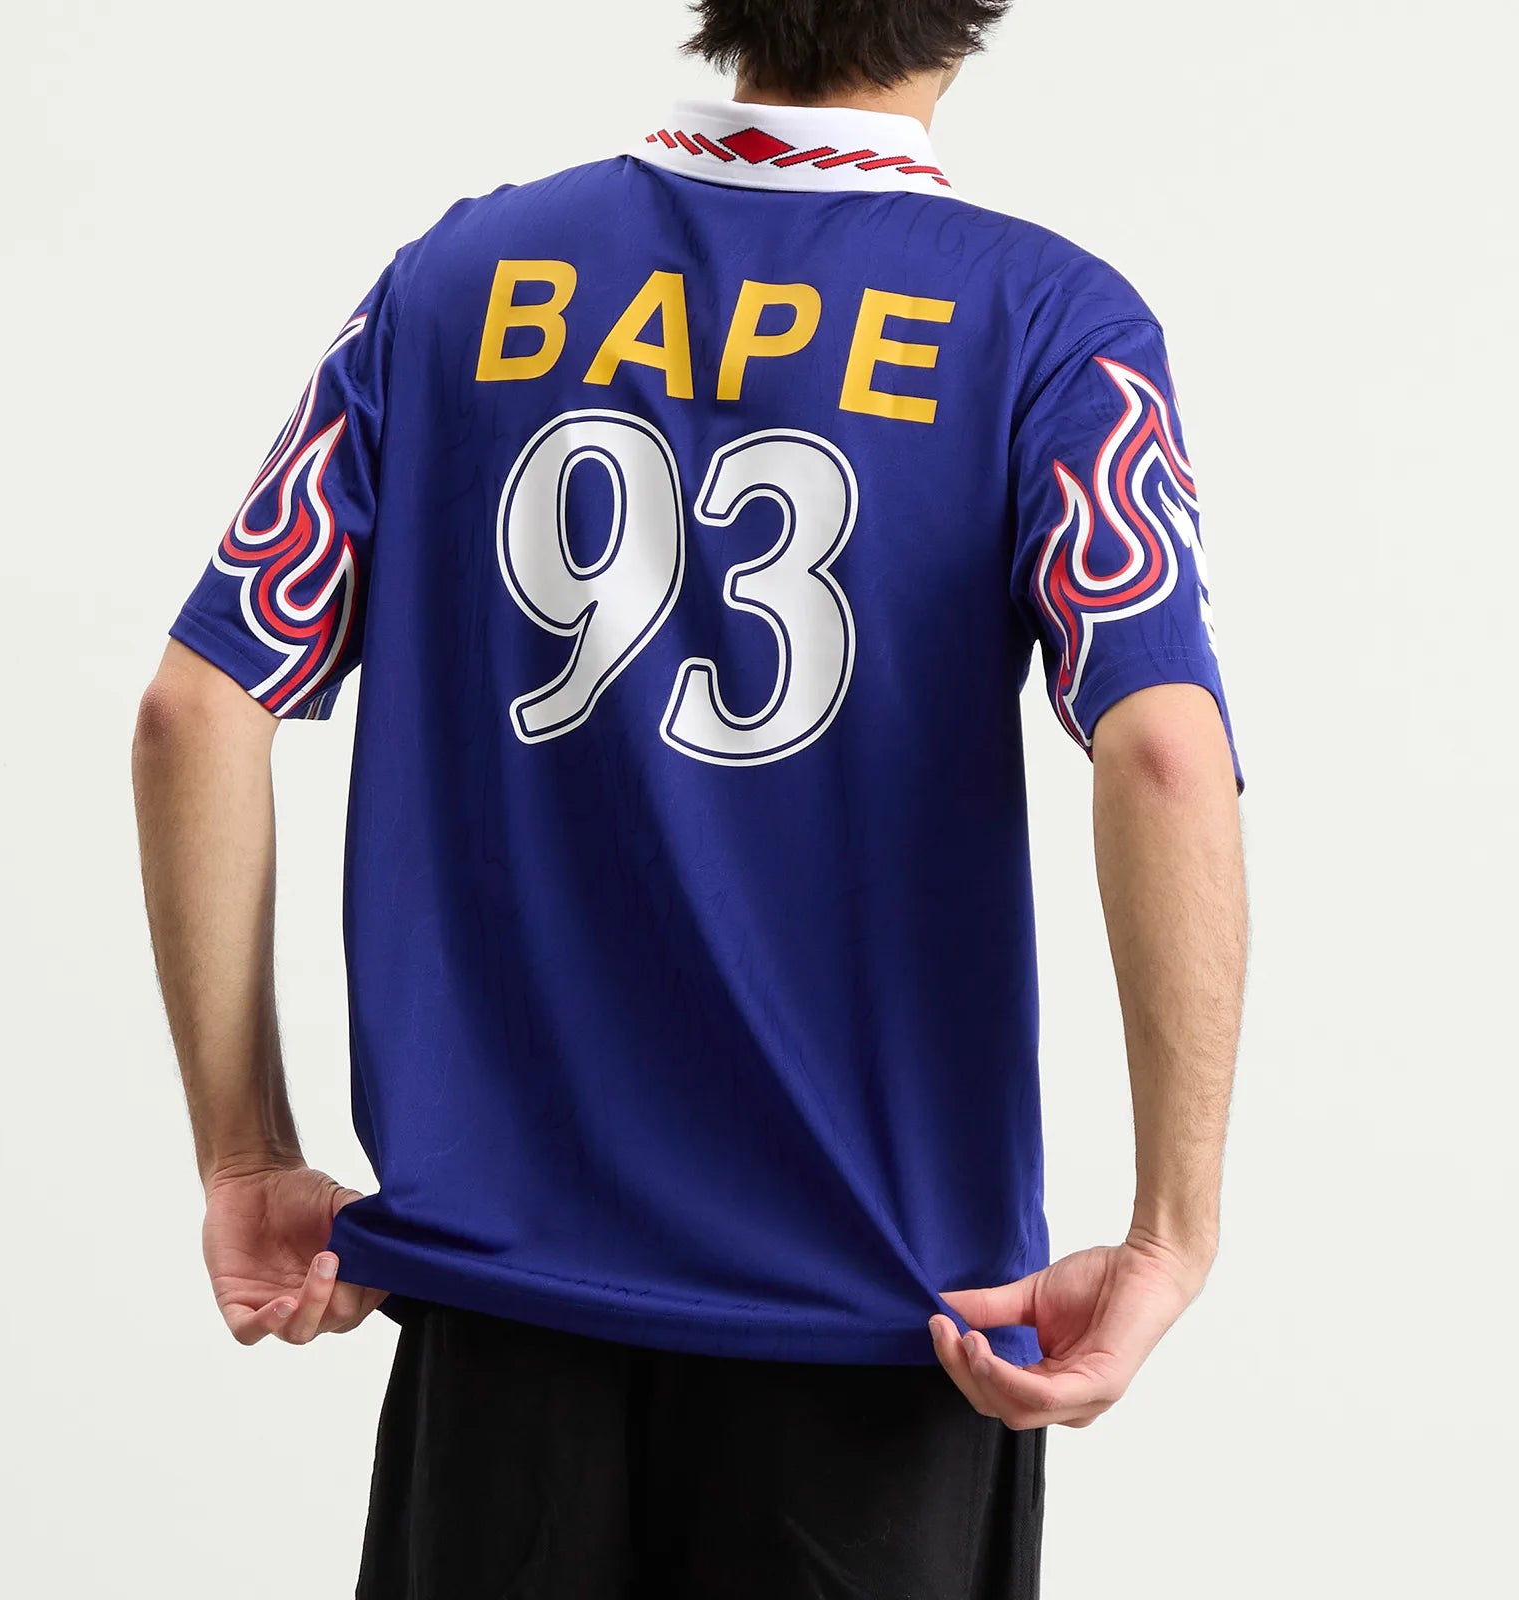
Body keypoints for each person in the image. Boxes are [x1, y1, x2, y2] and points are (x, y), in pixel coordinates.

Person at [131, 2, 1248, 1594]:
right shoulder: (1049, 322)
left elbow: (194, 706)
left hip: (503, 1316)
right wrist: (1171, 1230)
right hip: (888, 1325)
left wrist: (244, 1156)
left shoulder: (457, 282)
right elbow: (1165, 753)